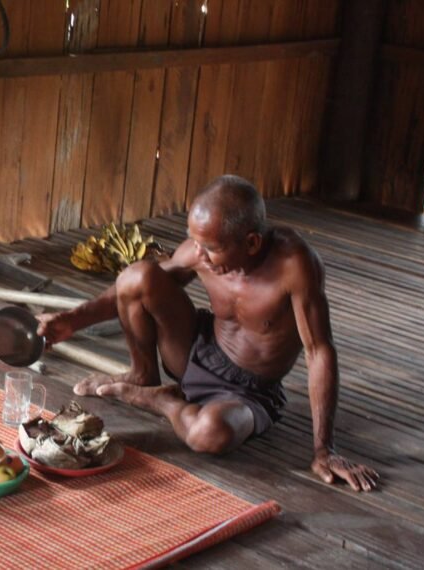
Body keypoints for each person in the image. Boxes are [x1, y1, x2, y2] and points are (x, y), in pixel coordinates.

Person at [38, 175, 379, 492]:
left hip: (247, 392)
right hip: (197, 351)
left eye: (210, 247)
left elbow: (320, 351)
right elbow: (135, 287)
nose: (197, 254)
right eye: (195, 242)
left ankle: (164, 401)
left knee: (208, 435)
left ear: (251, 242)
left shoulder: (295, 265)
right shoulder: (201, 248)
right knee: (136, 275)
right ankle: (143, 376)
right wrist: (72, 320)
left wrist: (325, 449)